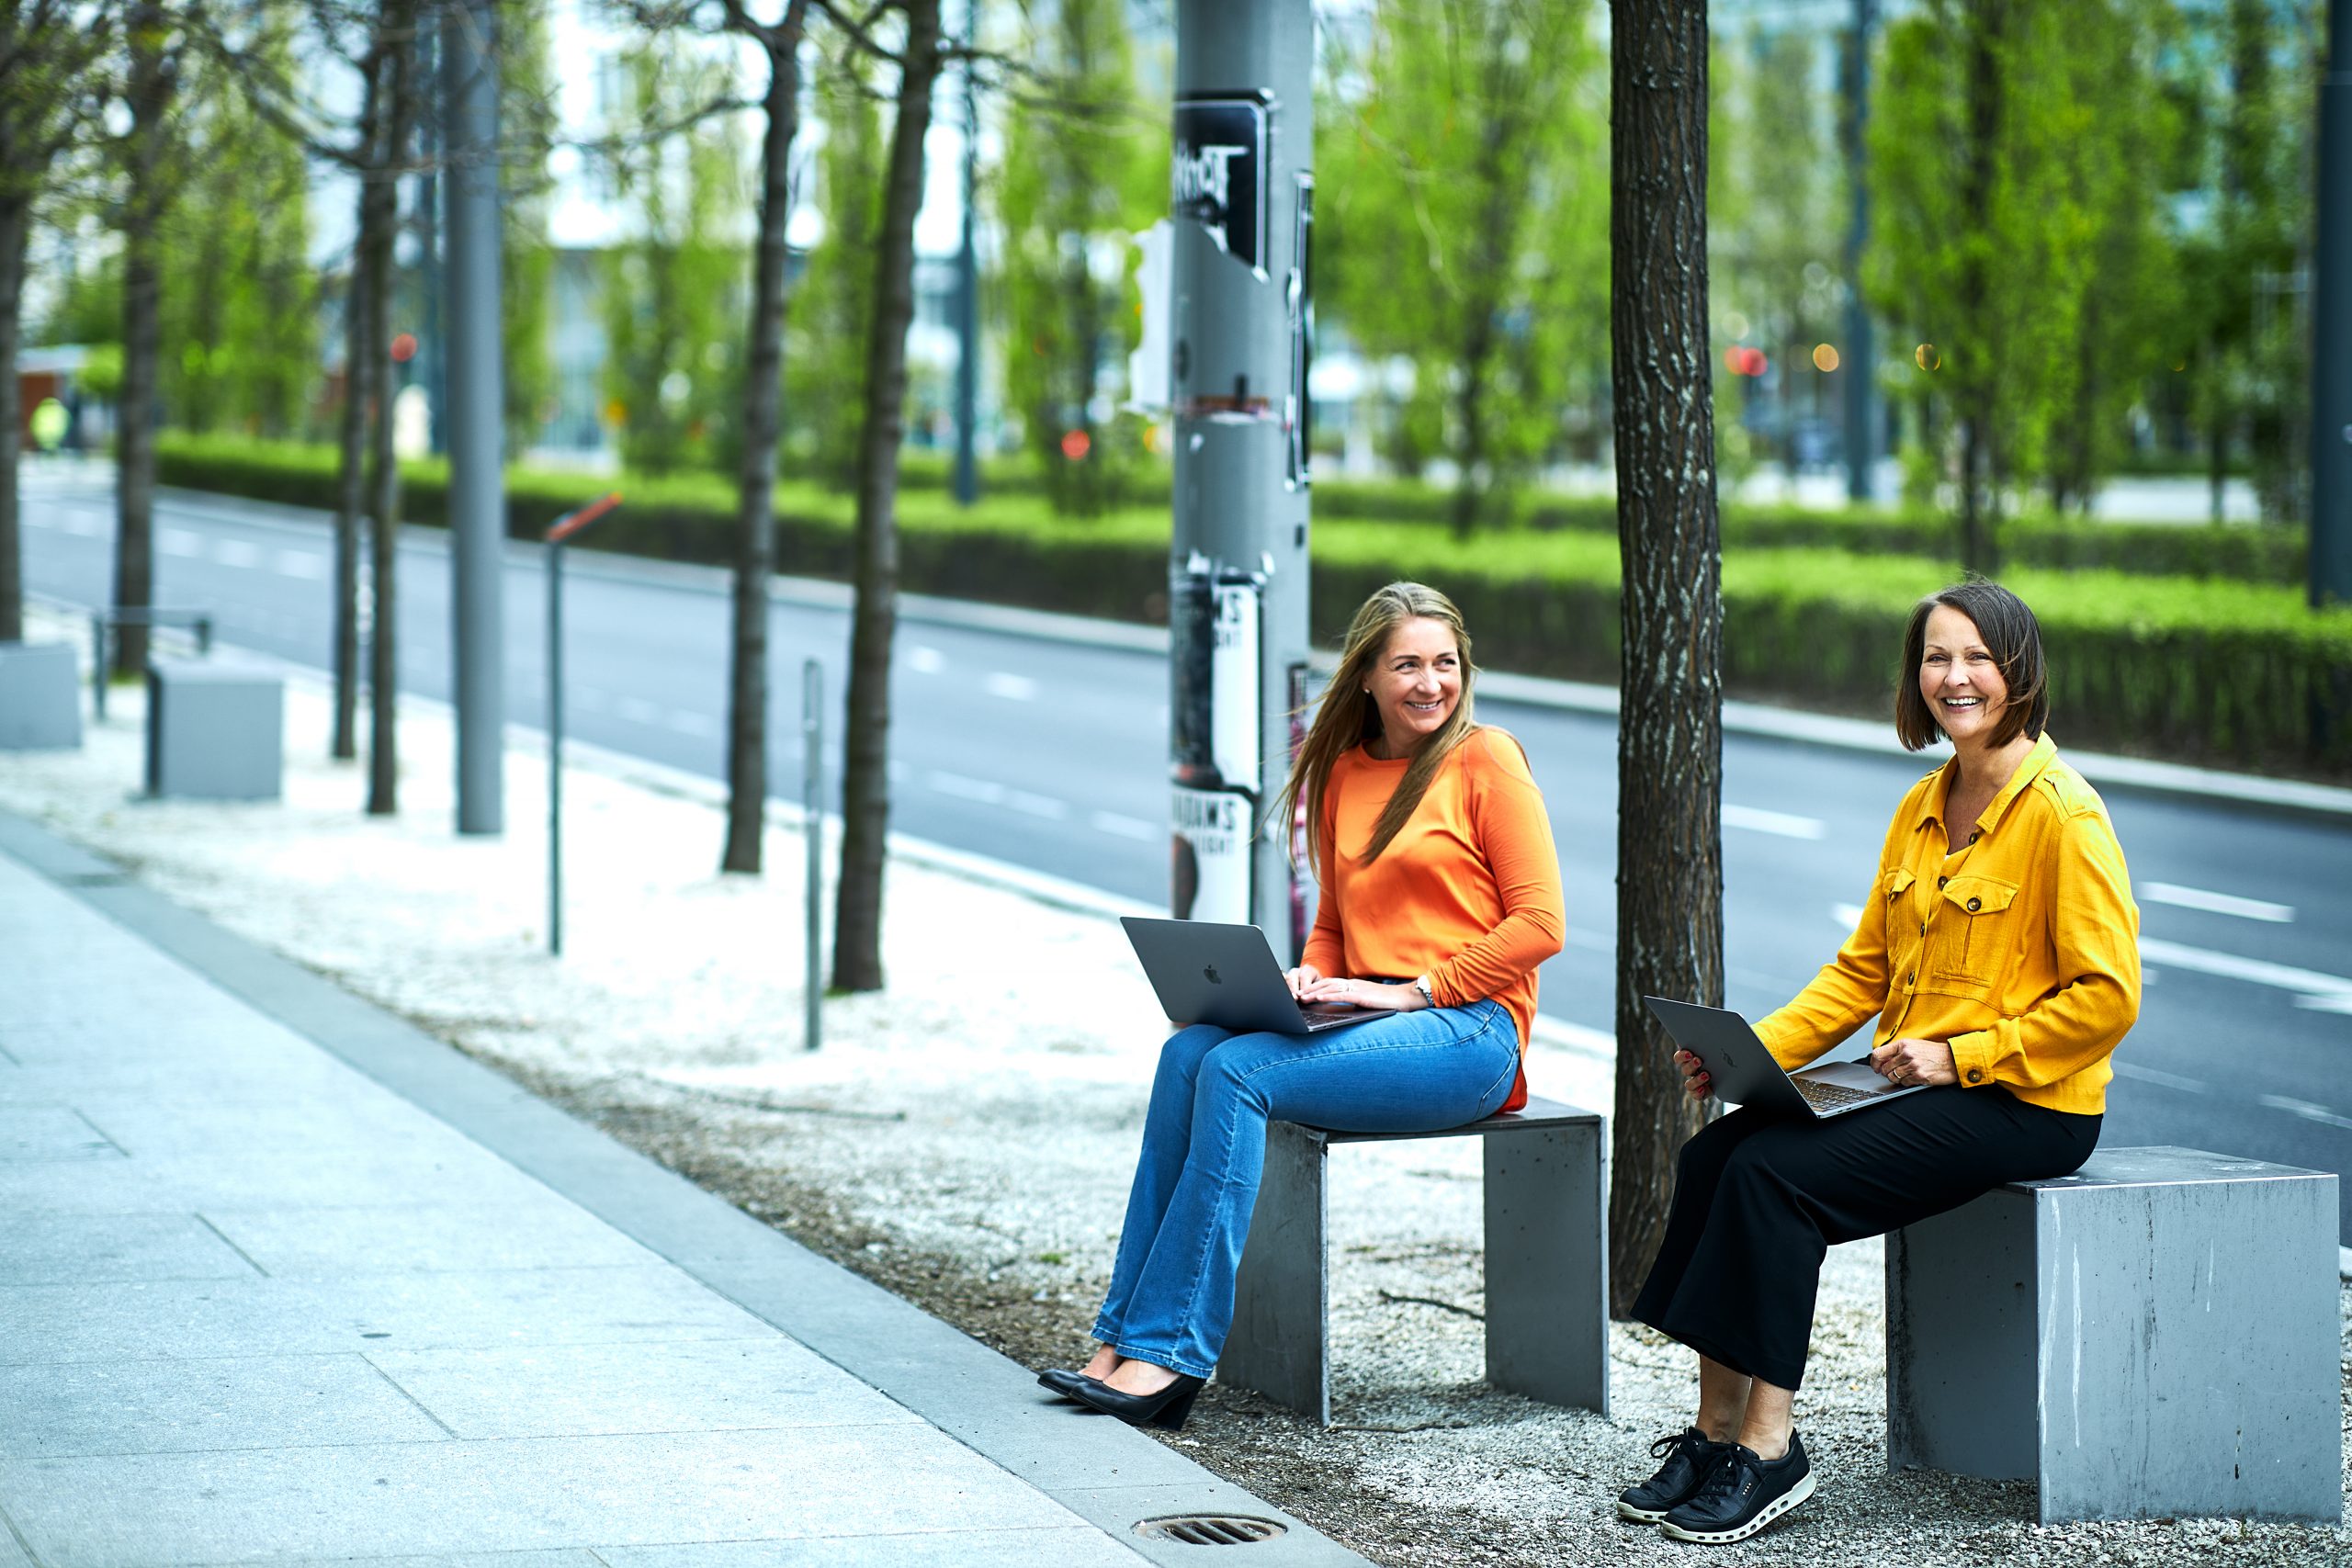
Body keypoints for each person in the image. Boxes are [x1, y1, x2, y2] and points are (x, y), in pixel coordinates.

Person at [1616, 580, 2141, 1544]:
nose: (1955, 677)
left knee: (1775, 1181)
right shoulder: (1922, 806)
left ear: (2018, 670)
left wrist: (1960, 1055)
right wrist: (1751, 1055)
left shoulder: (2063, 816)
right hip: (1913, 1080)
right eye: (1936, 658)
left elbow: (2107, 999)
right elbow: (1862, 973)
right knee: (1717, 1156)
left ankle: (1770, 1452)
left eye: (1976, 656)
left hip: (2027, 1101)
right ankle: (1711, 1431)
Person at [1041, 581, 1566, 1431]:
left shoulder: (1487, 759)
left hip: (1470, 1035)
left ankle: (1170, 1357)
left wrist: (1412, 988)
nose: (1431, 682)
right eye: (1407, 664)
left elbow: (1542, 924)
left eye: (1445, 663)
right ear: (1365, 675)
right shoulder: (1342, 773)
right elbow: (1333, 921)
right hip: (1366, 1021)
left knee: (1240, 1072)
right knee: (1186, 1053)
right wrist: (1309, 978)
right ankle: (1118, 1341)